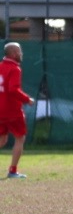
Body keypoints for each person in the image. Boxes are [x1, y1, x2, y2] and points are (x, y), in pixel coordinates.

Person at [0, 42, 34, 180]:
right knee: (20, 138)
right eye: (19, 51)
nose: (21, 53)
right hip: (12, 110)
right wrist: (27, 99)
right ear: (14, 53)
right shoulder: (14, 68)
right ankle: (13, 171)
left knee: (2, 140)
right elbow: (13, 90)